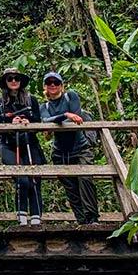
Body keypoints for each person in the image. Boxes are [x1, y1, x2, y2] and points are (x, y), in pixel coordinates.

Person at [39, 71, 100, 224]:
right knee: (70, 187)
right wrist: (65, 115)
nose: (53, 85)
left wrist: (63, 117)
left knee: (85, 179)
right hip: (60, 153)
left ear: (62, 85)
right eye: (49, 83)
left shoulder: (71, 96)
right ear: (45, 87)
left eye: (56, 82)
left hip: (80, 148)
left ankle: (92, 218)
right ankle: (81, 220)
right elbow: (46, 121)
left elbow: (76, 115)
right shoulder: (44, 106)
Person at [0, 68, 44, 225]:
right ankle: (21, 215)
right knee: (22, 179)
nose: (14, 81)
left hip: (30, 143)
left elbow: (38, 120)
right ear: (6, 82)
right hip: (9, 145)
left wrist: (28, 123)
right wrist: (10, 124)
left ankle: (36, 216)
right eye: (10, 78)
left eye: (16, 78)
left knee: (35, 179)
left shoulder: (31, 100)